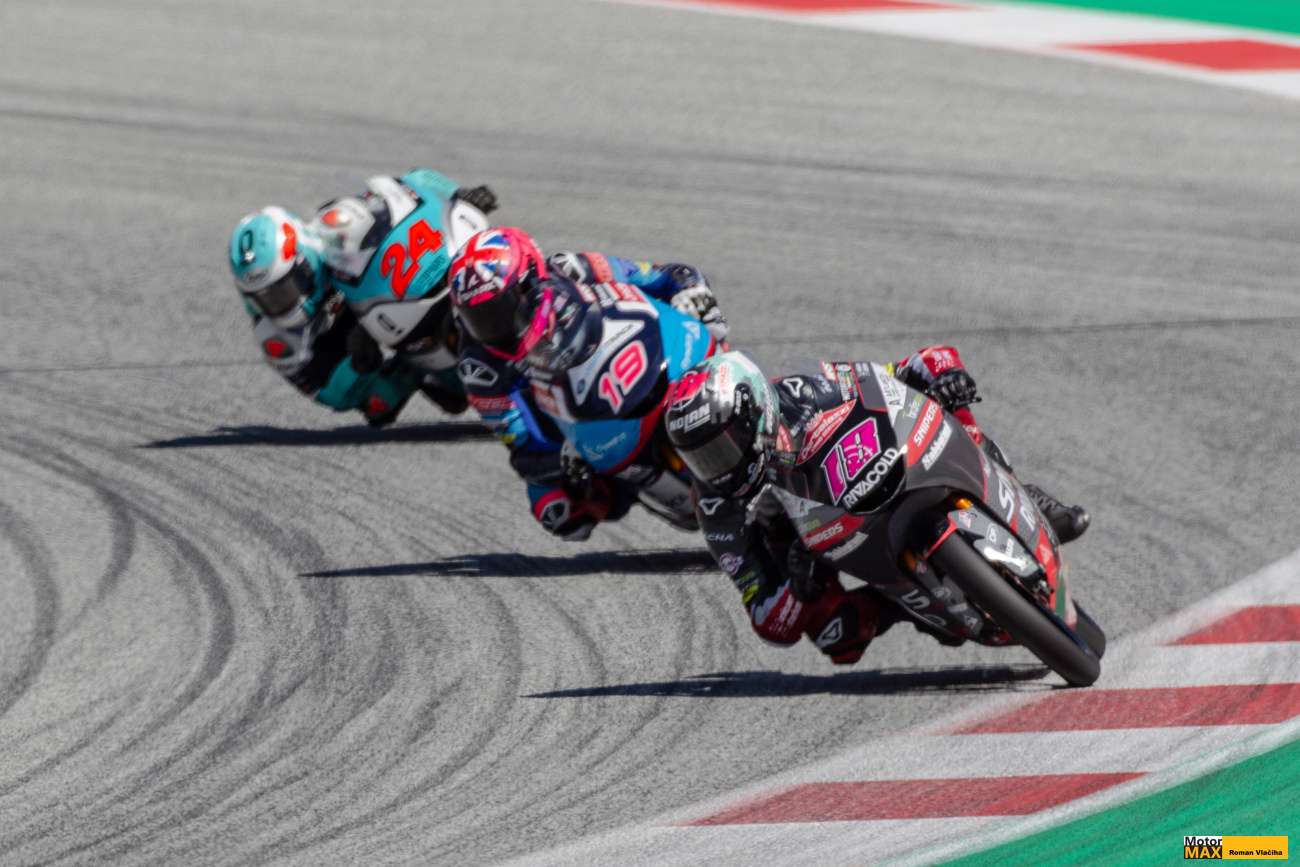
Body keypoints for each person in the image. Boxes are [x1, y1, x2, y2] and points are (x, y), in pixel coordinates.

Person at [663, 348, 1089, 666]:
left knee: (947, 402)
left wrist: (945, 374)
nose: (716, 468)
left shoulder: (803, 390)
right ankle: (902, 606)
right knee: (836, 637)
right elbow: (767, 618)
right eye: (701, 458)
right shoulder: (717, 507)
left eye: (721, 448)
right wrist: (800, 588)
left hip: (870, 472)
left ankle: (1013, 485)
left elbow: (904, 369)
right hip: (820, 546)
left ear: (752, 413)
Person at [446, 226, 727, 540]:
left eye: (499, 309)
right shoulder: (478, 367)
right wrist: (561, 457)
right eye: (478, 317)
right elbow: (521, 443)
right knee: (556, 511)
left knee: (710, 329)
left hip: (639, 357)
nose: (492, 326)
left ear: (530, 280)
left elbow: (660, 275)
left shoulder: (570, 268)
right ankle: (637, 487)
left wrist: (690, 291)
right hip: (578, 428)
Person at [311, 168, 503, 415]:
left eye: (342, 247)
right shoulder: (335, 275)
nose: (342, 259)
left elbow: (421, 178)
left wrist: (461, 194)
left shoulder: (391, 208)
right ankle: (420, 376)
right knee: (380, 403)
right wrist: (361, 345)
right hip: (401, 323)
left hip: (441, 268)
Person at [228, 206, 423, 426]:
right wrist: (357, 366)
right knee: (380, 402)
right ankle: (421, 367)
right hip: (344, 342)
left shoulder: (334, 232)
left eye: (285, 290)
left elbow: (398, 202)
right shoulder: (274, 337)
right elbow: (325, 394)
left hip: (384, 287)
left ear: (304, 263)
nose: (278, 304)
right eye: (266, 298)